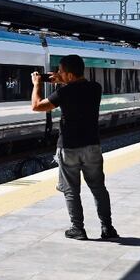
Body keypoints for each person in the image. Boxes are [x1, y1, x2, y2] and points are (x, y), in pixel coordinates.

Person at [30, 55, 118, 241]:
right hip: (92, 146)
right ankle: (107, 227)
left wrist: (37, 83)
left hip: (69, 147)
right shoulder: (96, 88)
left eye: (61, 71)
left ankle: (78, 228)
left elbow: (37, 106)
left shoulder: (64, 93)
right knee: (98, 188)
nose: (58, 74)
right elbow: (76, 93)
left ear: (69, 75)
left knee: (71, 190)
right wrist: (62, 82)